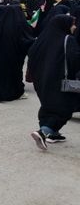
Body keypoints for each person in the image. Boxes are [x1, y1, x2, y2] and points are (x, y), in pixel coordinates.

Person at [29, 15, 80, 150]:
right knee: (64, 108)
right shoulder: (68, 39)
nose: (74, 27)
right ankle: (44, 132)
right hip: (61, 81)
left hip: (42, 80)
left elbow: (31, 55)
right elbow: (75, 59)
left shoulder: (42, 38)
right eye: (72, 24)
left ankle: (53, 133)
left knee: (48, 105)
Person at [0, 5, 35, 102]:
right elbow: (25, 40)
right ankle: (12, 92)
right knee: (12, 75)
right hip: (12, 56)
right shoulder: (19, 24)